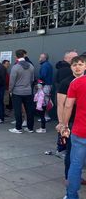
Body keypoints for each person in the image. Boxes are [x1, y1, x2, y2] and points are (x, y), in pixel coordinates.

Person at [56, 56, 86, 192]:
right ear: (71, 67)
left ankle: (73, 186)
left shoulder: (79, 82)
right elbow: (61, 105)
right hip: (72, 123)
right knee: (71, 155)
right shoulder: (66, 82)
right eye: (75, 65)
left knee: (76, 159)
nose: (78, 67)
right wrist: (63, 123)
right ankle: (70, 179)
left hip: (79, 124)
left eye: (80, 64)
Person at [8, 50, 35, 134]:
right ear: (24, 55)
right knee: (29, 110)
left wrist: (10, 90)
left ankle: (18, 128)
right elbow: (32, 79)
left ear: (16, 57)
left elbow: (12, 81)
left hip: (17, 92)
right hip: (28, 91)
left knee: (17, 110)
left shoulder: (15, 67)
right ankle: (30, 128)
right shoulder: (31, 66)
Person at [35, 53, 53, 132]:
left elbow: (43, 76)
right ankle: (46, 117)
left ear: (44, 58)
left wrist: (39, 83)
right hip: (47, 86)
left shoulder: (45, 65)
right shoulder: (48, 65)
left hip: (44, 86)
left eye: (40, 57)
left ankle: (43, 126)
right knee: (45, 102)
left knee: (42, 103)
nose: (39, 58)